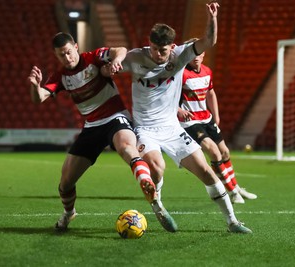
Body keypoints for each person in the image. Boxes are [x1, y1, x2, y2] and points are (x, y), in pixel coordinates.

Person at [104, 1, 252, 234]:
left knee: (206, 171)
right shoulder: (135, 58)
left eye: (162, 50)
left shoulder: (180, 55)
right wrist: (111, 65)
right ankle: (158, 205)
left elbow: (208, 41)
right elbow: (104, 66)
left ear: (172, 46)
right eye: (153, 48)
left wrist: (212, 18)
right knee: (156, 167)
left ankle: (233, 222)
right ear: (149, 44)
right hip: (145, 128)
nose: (157, 54)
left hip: (173, 128)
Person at [27, 32, 157, 232]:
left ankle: (145, 181)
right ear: (56, 55)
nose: (67, 58)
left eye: (69, 52)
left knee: (126, 147)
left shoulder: (93, 58)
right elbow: (39, 98)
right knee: (65, 182)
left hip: (115, 117)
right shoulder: (61, 76)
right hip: (91, 127)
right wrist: (35, 87)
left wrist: (117, 61)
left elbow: (120, 50)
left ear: (76, 47)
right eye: (61, 55)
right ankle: (69, 213)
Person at [177, 42, 257, 204]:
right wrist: (178, 110)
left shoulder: (207, 72)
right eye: (193, 54)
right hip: (191, 122)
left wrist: (216, 115)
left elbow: (211, 93)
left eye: (199, 53)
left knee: (225, 152)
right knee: (214, 152)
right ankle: (232, 192)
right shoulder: (181, 74)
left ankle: (236, 186)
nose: (196, 57)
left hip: (207, 118)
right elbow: (168, 96)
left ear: (204, 54)